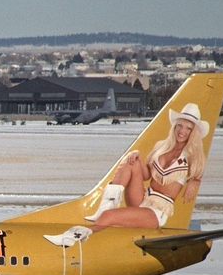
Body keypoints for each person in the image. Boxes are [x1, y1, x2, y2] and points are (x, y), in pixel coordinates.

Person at [44, 103, 209, 247]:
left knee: (108, 217)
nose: (182, 131)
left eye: (188, 128)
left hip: (157, 211)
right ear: (175, 126)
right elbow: (146, 175)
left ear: (193, 132)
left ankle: (71, 237)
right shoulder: (162, 146)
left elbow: (197, 174)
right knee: (130, 160)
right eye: (180, 125)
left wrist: (194, 183)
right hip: (144, 198)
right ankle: (107, 204)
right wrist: (136, 155)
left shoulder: (192, 155)